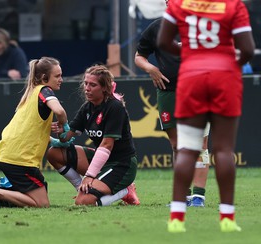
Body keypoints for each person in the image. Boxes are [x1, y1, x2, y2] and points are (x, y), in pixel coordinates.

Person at [157, 0, 255, 233]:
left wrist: (192, 54)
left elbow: (162, 42)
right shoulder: (234, 5)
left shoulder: (179, 4)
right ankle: (227, 218)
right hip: (225, 78)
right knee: (223, 149)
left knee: (187, 148)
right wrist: (229, 64)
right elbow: (248, 50)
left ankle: (177, 218)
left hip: (192, 78)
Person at [134, 3, 210, 207]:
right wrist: (151, 69)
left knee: (199, 145)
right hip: (167, 93)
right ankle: (183, 197)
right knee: (177, 145)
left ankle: (198, 197)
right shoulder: (156, 28)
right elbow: (139, 57)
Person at [0, 57, 68, 208]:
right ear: (44, 78)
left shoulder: (32, 93)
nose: (61, 79)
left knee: (39, 190)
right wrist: (64, 125)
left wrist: (53, 140)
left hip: (8, 155)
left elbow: (30, 130)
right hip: (19, 160)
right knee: (42, 204)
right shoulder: (45, 90)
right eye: (57, 76)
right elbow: (59, 111)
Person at [46, 65, 138, 206]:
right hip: (102, 161)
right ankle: (81, 189)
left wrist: (89, 176)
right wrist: (60, 131)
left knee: (83, 202)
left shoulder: (115, 107)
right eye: (86, 83)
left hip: (121, 164)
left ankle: (125, 190)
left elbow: (107, 144)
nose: (87, 88)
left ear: (104, 88)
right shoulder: (87, 108)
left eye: (93, 85)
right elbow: (66, 137)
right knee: (54, 154)